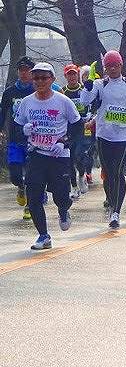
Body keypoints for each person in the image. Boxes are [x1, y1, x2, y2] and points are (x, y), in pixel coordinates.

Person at [14, 62, 82, 250]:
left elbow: (77, 126)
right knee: (33, 196)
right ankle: (44, 236)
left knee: (60, 196)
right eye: (36, 78)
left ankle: (63, 209)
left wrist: (64, 142)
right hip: (36, 154)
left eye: (44, 78)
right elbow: (16, 128)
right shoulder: (27, 102)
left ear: (52, 79)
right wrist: (24, 130)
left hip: (59, 156)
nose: (39, 81)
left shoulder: (63, 101)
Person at [80, 50, 126, 230]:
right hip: (103, 134)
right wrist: (88, 84)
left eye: (116, 65)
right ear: (105, 68)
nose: (113, 69)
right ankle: (111, 200)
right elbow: (85, 101)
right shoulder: (100, 84)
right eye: (109, 66)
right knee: (108, 174)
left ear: (121, 66)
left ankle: (116, 212)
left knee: (117, 172)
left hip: (123, 136)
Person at [0, 56, 35, 220]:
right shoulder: (10, 92)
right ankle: (20, 187)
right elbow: (2, 113)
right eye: (21, 70)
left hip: (34, 139)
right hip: (14, 138)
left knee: (32, 172)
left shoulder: (37, 90)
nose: (24, 73)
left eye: (27, 70)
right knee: (14, 173)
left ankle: (30, 205)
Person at [62, 64, 90, 199]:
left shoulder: (84, 90)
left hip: (82, 128)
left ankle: (81, 175)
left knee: (79, 155)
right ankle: (73, 186)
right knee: (69, 158)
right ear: (65, 76)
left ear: (77, 75)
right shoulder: (62, 92)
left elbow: (90, 105)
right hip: (67, 129)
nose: (72, 77)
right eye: (69, 74)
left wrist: (89, 117)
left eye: (74, 74)